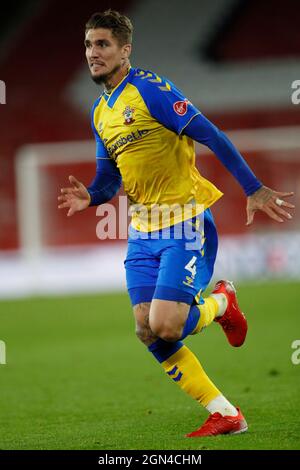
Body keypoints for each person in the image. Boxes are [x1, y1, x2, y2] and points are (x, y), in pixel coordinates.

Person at [58, 10, 295, 437]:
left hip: (185, 223)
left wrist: (254, 188)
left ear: (125, 50)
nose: (93, 53)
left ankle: (222, 302)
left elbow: (211, 134)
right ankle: (226, 413)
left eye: (102, 44)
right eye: (89, 45)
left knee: (166, 324)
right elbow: (109, 179)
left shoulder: (150, 90)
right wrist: (90, 195)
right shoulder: (100, 112)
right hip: (142, 232)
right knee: (146, 329)